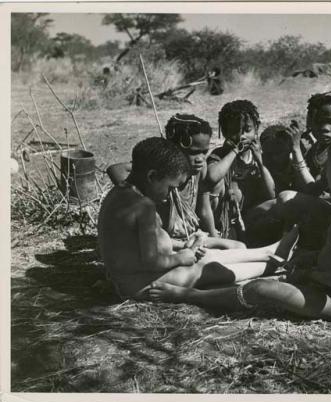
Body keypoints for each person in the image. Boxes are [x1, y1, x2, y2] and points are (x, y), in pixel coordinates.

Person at [147, 134, 331, 325]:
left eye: (329, 169)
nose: (324, 171)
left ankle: (189, 295)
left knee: (262, 289)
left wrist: (310, 274)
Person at [98, 137, 300, 300]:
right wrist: (181, 257)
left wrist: (183, 246)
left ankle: (270, 252)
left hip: (129, 276)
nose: (170, 195)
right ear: (152, 176)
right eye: (170, 187)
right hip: (137, 283)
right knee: (207, 270)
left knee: (209, 257)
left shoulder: (119, 193)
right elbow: (152, 262)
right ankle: (269, 265)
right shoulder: (144, 206)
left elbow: (138, 244)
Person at [106, 114, 245, 250]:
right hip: (167, 242)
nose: (200, 159)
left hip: (192, 238)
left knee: (238, 247)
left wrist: (215, 238)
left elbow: (204, 209)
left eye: (204, 152)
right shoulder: (161, 176)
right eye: (193, 152)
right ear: (175, 149)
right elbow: (116, 169)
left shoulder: (199, 171)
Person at [246, 91, 331, 248]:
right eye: (320, 121)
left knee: (285, 198)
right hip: (317, 206)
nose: (325, 128)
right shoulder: (317, 148)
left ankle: (287, 245)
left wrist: (296, 149)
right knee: (256, 212)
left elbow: (313, 190)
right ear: (311, 121)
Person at [204, 100, 276, 241]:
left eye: (247, 130)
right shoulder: (220, 155)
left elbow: (272, 194)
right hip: (226, 221)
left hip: (251, 217)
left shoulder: (259, 156)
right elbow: (212, 177)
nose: (241, 136)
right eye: (233, 132)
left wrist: (261, 163)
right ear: (224, 132)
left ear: (257, 127)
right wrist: (234, 152)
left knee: (277, 205)